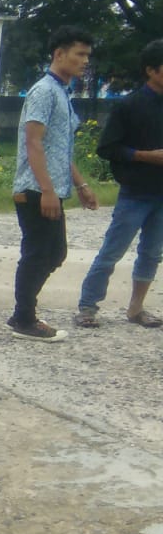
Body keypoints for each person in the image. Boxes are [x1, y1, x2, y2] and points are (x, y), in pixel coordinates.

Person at [8, 26, 98, 341]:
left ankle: (23, 314)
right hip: (34, 189)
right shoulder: (44, 91)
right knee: (38, 253)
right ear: (59, 54)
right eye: (80, 54)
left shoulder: (62, 92)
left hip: (50, 188)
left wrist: (81, 184)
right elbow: (34, 143)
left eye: (87, 55)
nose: (85, 60)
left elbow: (59, 148)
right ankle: (23, 318)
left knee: (54, 253)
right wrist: (46, 189)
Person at [76, 38, 163, 329]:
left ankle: (136, 309)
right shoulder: (130, 105)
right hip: (135, 192)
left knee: (152, 253)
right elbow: (107, 148)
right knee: (113, 250)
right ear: (151, 70)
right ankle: (88, 307)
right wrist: (144, 156)